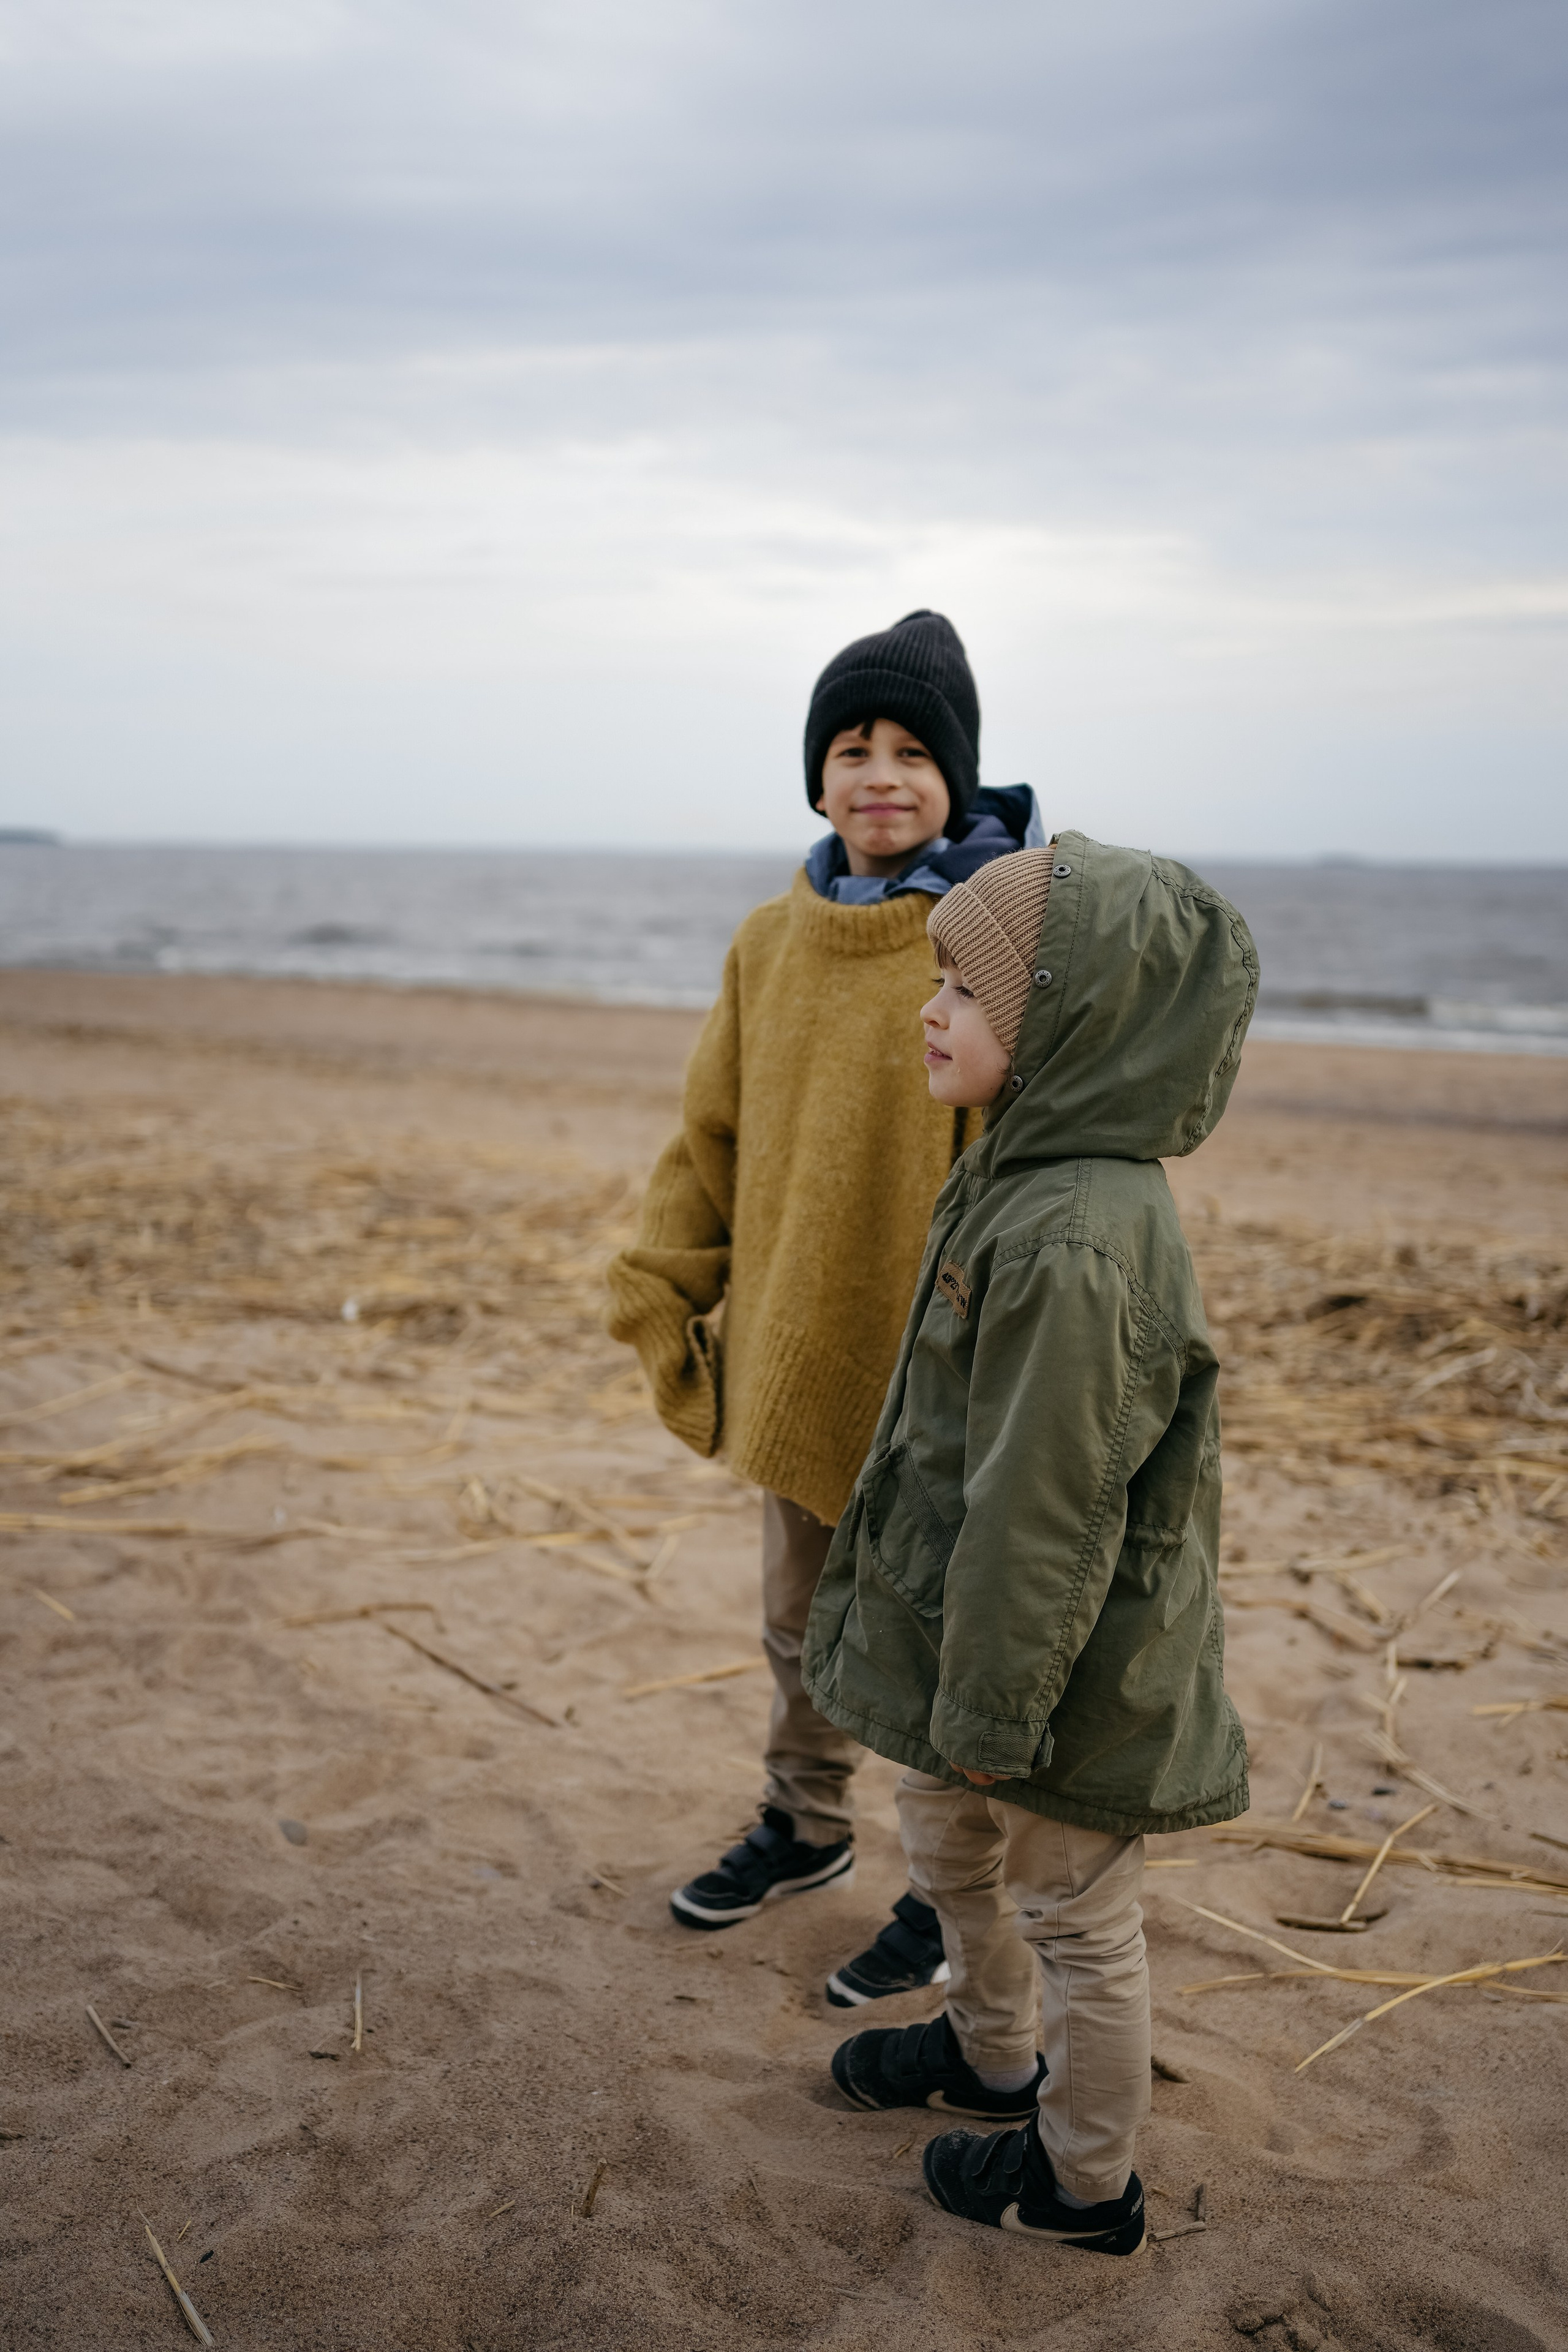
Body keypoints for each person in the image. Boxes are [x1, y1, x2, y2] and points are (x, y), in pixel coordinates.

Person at [801, 835, 1257, 2256]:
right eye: (936, 977)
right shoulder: (1019, 1162)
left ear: (1067, 1025)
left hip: (1059, 1660)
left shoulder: (1077, 1233)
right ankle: (990, 2055)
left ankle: (1081, 2184)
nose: (932, 1009)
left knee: (1072, 1905)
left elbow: (1047, 1509)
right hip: (975, 1628)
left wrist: (996, 1706)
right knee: (943, 1837)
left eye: (970, 992)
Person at [605, 609, 1041, 1996]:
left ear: (957, 781)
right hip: (797, 1335)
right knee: (799, 1624)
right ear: (814, 778)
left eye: (915, 753)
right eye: (850, 747)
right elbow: (710, 1135)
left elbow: (1043, 1147)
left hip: (943, 1351)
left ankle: (944, 1892)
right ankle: (801, 1826)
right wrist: (664, 1285)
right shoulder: (768, 940)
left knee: (925, 1641)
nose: (880, 774)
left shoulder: (994, 935)